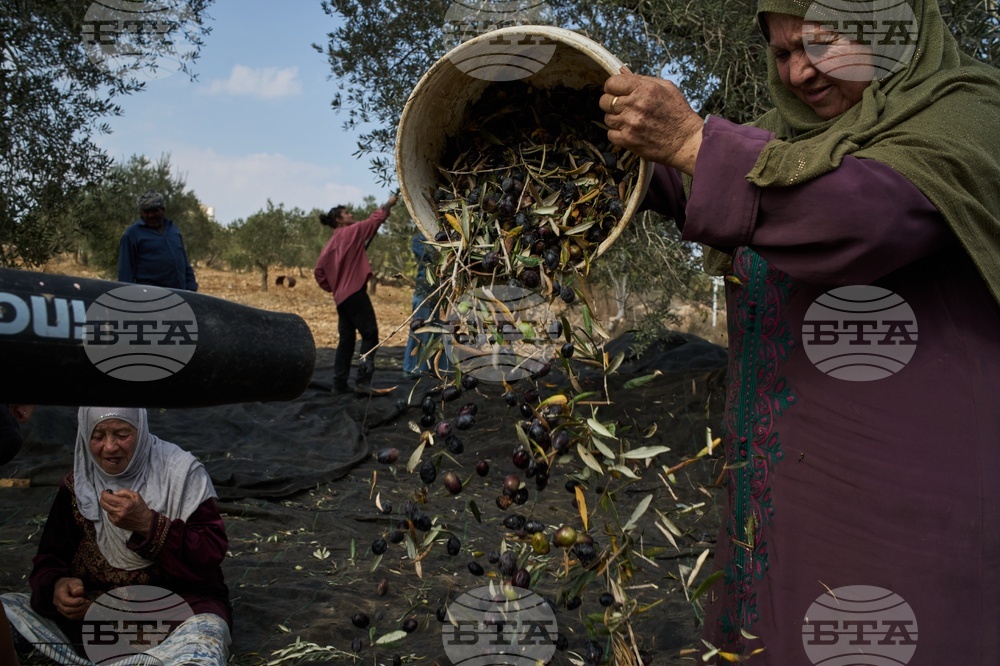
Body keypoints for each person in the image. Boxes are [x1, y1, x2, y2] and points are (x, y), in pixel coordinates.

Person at [601, 0, 1000, 662]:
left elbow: (863, 216)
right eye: (783, 53)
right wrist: (600, 146)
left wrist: (692, 144)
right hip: (775, 502)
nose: (799, 74)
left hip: (909, 516)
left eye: (823, 44)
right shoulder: (784, 142)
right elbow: (694, 181)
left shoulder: (968, 115)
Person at [1, 407, 231, 665]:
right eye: (97, 436)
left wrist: (148, 524)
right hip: (93, 620)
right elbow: (50, 557)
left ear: (141, 431)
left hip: (170, 619)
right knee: (5, 613)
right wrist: (56, 585)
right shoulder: (80, 483)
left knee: (203, 643)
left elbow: (210, 553)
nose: (109, 447)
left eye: (122, 434)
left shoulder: (179, 473)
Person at [314, 195, 399, 395]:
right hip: (354, 293)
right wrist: (388, 204)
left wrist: (334, 286)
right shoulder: (351, 232)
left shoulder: (331, 244)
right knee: (370, 334)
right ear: (339, 220)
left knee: (347, 340)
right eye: (346, 213)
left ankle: (339, 383)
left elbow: (318, 272)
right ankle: (363, 382)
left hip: (341, 298)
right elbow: (374, 221)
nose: (350, 214)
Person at [118, 190, 199, 291]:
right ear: (141, 213)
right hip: (150, 297)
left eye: (154, 211)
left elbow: (183, 261)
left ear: (163, 209)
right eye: (146, 212)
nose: (151, 215)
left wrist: (191, 286)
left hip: (180, 295)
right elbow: (125, 271)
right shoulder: (132, 234)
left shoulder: (173, 229)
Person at [403, 233, 449, 380]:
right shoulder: (419, 238)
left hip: (442, 294)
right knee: (421, 331)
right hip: (425, 293)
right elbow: (430, 257)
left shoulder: (446, 235)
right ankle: (413, 369)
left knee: (441, 332)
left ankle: (439, 369)